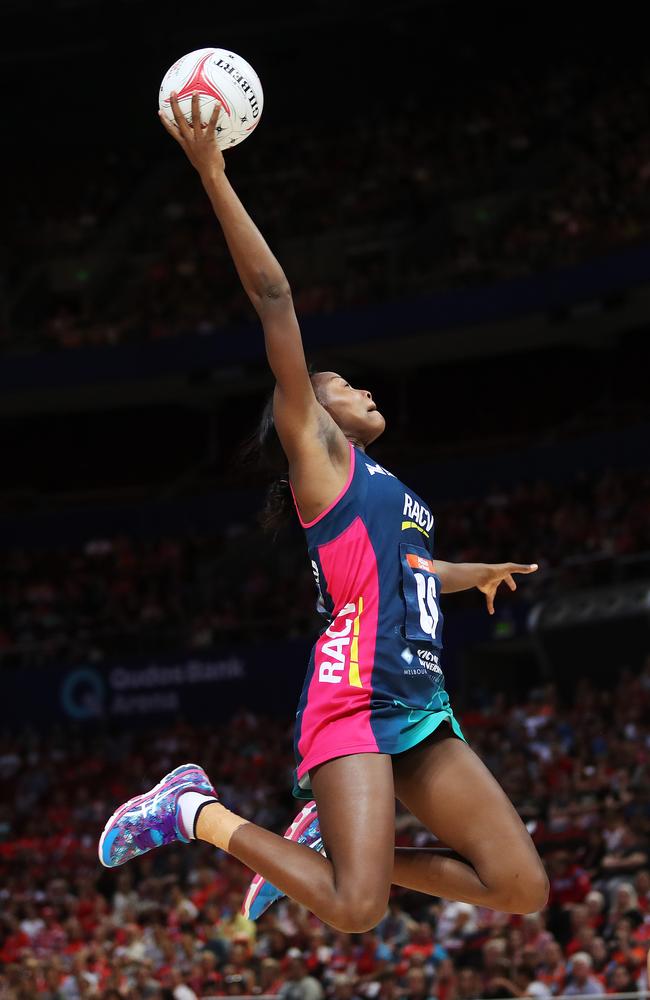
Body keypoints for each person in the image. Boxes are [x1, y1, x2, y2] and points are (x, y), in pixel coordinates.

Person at [98, 91, 549, 933]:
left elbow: (406, 571)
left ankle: (324, 848)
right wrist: (212, 174)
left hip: (417, 693)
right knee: (354, 908)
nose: (362, 388)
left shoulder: (395, 490)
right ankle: (193, 810)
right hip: (351, 692)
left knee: (521, 887)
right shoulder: (320, 457)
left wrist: (469, 573)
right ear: (312, 412)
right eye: (344, 384)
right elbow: (273, 297)